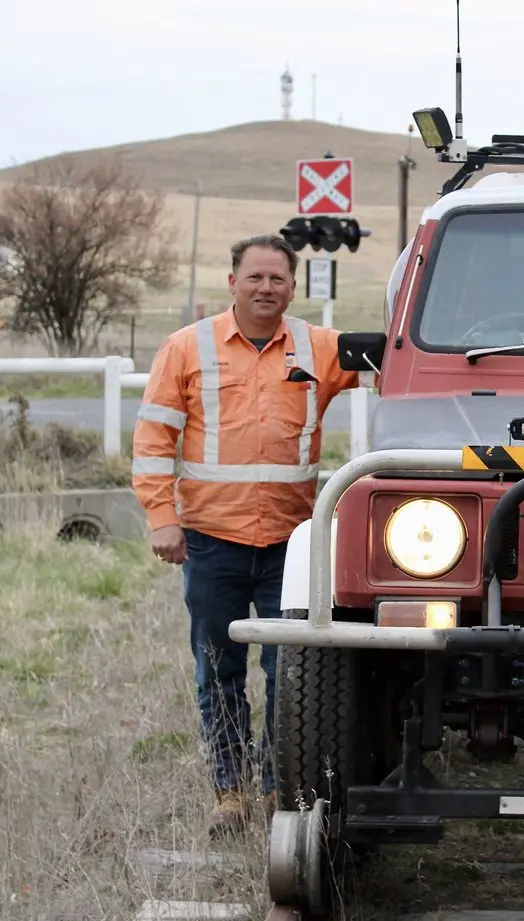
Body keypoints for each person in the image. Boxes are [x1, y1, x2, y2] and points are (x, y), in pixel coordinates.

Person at [132, 234, 366, 836]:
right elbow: (154, 439)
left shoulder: (319, 349)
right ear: (232, 281)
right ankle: (229, 791)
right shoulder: (188, 348)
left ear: (292, 286)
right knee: (219, 668)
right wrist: (162, 518)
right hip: (212, 541)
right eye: (255, 278)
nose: (266, 289)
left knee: (290, 669)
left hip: (294, 545)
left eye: (278, 280)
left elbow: (397, 365)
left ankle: (275, 787)